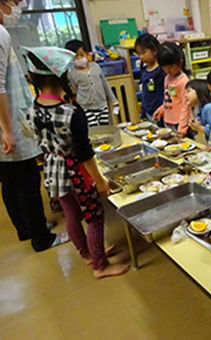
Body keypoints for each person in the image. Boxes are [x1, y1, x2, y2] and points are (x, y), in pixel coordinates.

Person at [24, 46, 129, 278]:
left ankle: (88, 253)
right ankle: (100, 266)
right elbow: (84, 153)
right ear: (61, 76)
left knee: (71, 213)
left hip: (52, 167)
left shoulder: (33, 109)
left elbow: (36, 139)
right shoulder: (71, 113)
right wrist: (99, 181)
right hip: (75, 169)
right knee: (94, 215)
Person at [0, 2, 67, 252]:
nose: (18, 8)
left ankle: (27, 229)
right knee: (27, 181)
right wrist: (7, 130)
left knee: (10, 181)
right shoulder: (0, 33)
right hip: (9, 124)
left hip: (8, 122)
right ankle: (41, 237)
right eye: (16, 2)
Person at [65, 40, 118, 127]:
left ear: (87, 54)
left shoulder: (96, 66)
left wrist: (114, 100)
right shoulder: (72, 73)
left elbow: (105, 84)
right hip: (86, 107)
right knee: (94, 129)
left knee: (105, 128)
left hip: (102, 105)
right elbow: (75, 88)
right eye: (75, 57)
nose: (79, 59)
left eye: (81, 55)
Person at [153, 42, 190, 137]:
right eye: (164, 68)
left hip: (179, 122)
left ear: (180, 62)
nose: (168, 70)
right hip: (168, 120)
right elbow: (169, 99)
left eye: (171, 67)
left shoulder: (183, 81)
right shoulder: (167, 78)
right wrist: (161, 109)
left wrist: (182, 128)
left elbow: (186, 106)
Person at [135, 33, 165, 124]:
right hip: (148, 112)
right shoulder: (144, 70)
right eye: (138, 54)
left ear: (154, 51)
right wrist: (143, 112)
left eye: (143, 53)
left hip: (161, 113)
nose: (141, 57)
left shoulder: (162, 70)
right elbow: (145, 93)